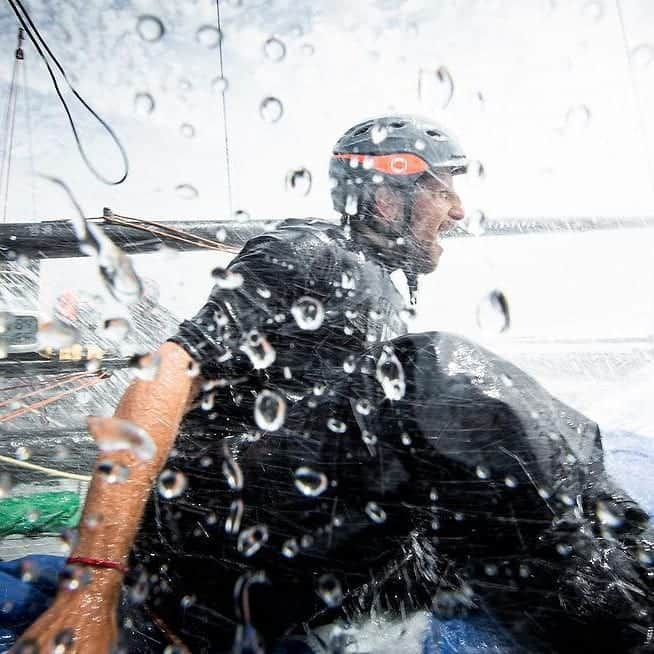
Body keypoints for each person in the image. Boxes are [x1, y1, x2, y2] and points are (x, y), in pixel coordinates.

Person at [14, 116, 654, 654]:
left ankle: (632, 551)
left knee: (486, 467)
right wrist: (92, 583)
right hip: (217, 560)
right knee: (439, 369)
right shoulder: (310, 249)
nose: (458, 211)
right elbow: (166, 371)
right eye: (443, 190)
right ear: (385, 197)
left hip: (303, 552)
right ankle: (628, 628)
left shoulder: (376, 287)